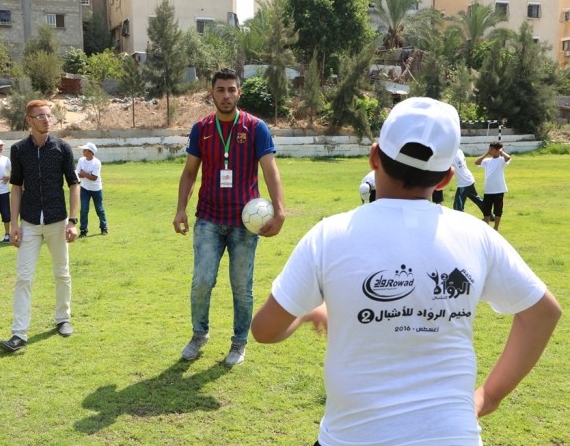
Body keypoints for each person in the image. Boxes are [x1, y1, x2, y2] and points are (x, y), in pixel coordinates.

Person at [252, 97, 561, 446]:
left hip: (352, 438)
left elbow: (264, 330)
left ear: (374, 157)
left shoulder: (329, 235)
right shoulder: (477, 235)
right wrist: (489, 396)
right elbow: (543, 313)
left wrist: (309, 311)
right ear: (445, 179)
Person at [173, 68, 285, 366]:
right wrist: (181, 209)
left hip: (245, 223)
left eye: (231, 89)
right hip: (208, 218)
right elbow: (189, 173)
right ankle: (199, 335)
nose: (226, 95)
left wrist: (280, 210)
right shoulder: (201, 129)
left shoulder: (256, 127)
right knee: (202, 281)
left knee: (241, 286)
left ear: (239, 92)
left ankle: (239, 342)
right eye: (220, 90)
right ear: (212, 93)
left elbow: (270, 171)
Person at [0, 100, 80, 353]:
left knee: (62, 273)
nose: (46, 120)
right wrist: (14, 225)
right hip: (30, 222)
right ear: (29, 121)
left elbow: (74, 184)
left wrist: (73, 221)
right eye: (40, 116)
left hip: (57, 221)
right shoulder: (19, 150)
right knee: (23, 277)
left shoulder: (62, 148)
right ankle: (18, 333)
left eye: (48, 115)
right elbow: (16, 187)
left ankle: (63, 319)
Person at [475, 141, 511, 231]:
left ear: (497, 150)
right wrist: (485, 154)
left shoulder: (501, 160)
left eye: (491, 149)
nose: (489, 151)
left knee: (498, 210)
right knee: (486, 210)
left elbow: (508, 157)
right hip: (488, 190)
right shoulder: (488, 161)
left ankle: (496, 228)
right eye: (489, 149)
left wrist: (501, 152)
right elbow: (477, 162)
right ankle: (487, 228)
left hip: (498, 189)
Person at [75, 142, 108, 237]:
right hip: (85, 188)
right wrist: (86, 174)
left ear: (90, 152)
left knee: (99, 209)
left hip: (96, 189)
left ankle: (104, 228)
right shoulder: (81, 160)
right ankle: (83, 230)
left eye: (85, 150)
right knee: (84, 209)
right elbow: (78, 174)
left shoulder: (97, 162)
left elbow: (94, 178)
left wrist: (83, 173)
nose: (83, 151)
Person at [452, 148, 484, 214]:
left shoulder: (451, 155)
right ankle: (490, 215)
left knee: (457, 206)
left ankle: (461, 220)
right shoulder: (459, 151)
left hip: (464, 182)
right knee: (477, 200)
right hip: (468, 179)